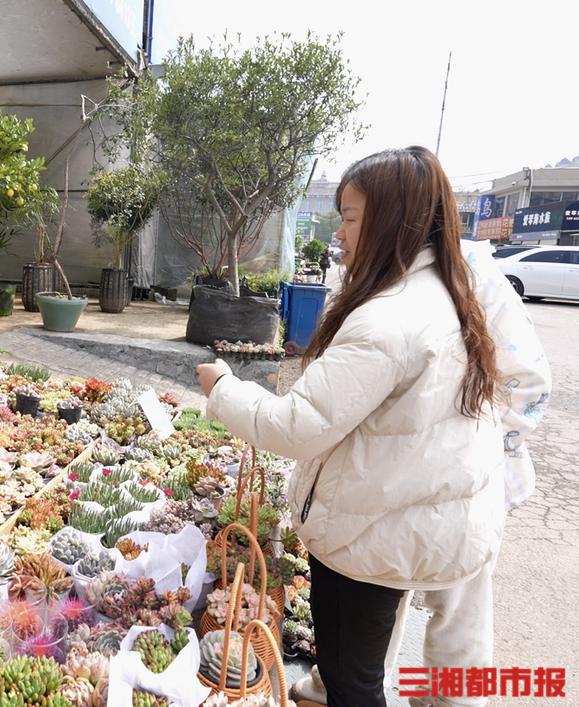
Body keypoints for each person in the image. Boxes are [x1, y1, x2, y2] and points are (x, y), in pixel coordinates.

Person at [197, 146, 504, 707]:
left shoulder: (389, 318)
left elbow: (297, 425)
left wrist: (223, 389)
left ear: (391, 222)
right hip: (405, 515)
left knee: (352, 680)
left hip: (373, 532)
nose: (339, 233)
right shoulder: (441, 291)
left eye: (351, 218)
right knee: (357, 672)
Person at [288, 237, 552, 707]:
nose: (344, 235)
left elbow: (528, 382)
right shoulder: (373, 268)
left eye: (354, 217)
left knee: (459, 612)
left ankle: (453, 701)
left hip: (464, 487)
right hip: (388, 483)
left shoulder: (469, 268)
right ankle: (346, 687)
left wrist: (467, 451)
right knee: (378, 597)